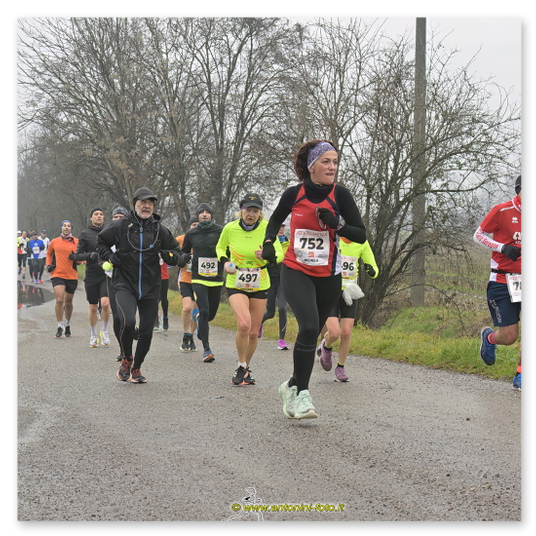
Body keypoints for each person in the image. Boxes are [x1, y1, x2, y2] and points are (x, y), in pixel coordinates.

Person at [263, 140, 367, 419]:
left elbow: (360, 234)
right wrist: (269, 242)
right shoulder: (294, 194)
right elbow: (274, 221)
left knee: (311, 335)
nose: (332, 167)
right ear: (311, 166)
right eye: (326, 162)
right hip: (296, 269)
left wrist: (338, 224)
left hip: (329, 276)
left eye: (335, 162)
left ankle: (291, 385)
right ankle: (303, 396)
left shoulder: (340, 194)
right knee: (309, 327)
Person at [97, 188, 181, 383]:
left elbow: (176, 252)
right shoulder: (120, 226)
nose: (146, 206)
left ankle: (136, 368)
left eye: (150, 203)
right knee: (127, 322)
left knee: (146, 331)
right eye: (143, 202)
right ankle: (127, 358)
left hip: (150, 286)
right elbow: (101, 242)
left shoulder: (159, 229)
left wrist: (170, 256)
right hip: (124, 283)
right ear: (135, 204)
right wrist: (110, 256)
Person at [216, 193, 284, 385]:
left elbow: (280, 253)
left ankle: (245, 368)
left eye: (255, 211)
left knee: (253, 332)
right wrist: (225, 261)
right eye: (248, 210)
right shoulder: (230, 228)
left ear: (260, 213)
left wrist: (268, 255)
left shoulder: (267, 229)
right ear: (241, 210)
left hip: (260, 282)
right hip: (236, 281)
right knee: (244, 324)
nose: (251, 214)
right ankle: (240, 364)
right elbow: (220, 248)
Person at [474, 174, 522, 391]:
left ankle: (520, 375)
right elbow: (478, 235)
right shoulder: (502, 211)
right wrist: (502, 247)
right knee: (510, 336)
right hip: (502, 279)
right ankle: (490, 338)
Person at [317, 238, 378, 382]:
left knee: (346, 332)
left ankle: (340, 367)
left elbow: (374, 267)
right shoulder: (332, 237)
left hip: (350, 291)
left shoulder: (361, 241)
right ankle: (326, 346)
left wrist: (372, 271)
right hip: (330, 290)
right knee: (334, 332)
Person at [177, 204, 224, 363]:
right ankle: (207, 350)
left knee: (210, 314)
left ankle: (198, 319)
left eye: (207, 212)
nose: (204, 214)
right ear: (197, 216)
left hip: (216, 277)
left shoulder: (220, 231)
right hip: (198, 277)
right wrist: (182, 259)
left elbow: (227, 249)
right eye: (201, 212)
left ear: (211, 215)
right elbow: (184, 252)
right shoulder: (191, 233)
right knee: (204, 310)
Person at [70, 208, 112, 347]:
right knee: (93, 307)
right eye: (96, 214)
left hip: (106, 274)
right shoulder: (85, 234)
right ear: (91, 218)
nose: (99, 216)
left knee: (105, 304)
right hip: (92, 274)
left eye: (101, 214)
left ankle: (104, 331)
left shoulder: (109, 232)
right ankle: (93, 334)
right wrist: (89, 256)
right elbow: (77, 255)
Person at [102, 206, 129, 362]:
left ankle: (128, 345)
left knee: (127, 316)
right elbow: (99, 254)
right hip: (112, 280)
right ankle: (122, 349)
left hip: (129, 280)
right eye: (115, 217)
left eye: (121, 217)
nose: (118, 220)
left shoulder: (131, 236)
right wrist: (103, 263)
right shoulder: (107, 237)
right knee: (117, 317)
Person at [259, 222, 291, 350]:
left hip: (283, 280)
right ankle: (259, 323)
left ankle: (281, 340)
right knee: (270, 312)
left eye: (283, 227)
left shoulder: (289, 244)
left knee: (283, 308)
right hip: (269, 280)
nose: (280, 229)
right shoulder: (267, 242)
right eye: (278, 226)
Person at [45, 220, 79, 338]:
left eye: (69, 226)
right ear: (61, 228)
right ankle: (59, 325)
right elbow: (48, 253)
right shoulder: (54, 242)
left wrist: (77, 257)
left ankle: (67, 324)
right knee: (59, 300)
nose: (66, 228)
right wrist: (48, 264)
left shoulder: (76, 242)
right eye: (64, 226)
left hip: (71, 275)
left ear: (71, 228)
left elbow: (81, 258)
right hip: (57, 274)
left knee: (68, 302)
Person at [176, 216, 199, 352]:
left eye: (198, 225)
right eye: (193, 225)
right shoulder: (181, 239)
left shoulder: (205, 240)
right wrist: (180, 258)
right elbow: (172, 251)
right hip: (185, 278)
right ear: (189, 227)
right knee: (187, 308)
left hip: (200, 279)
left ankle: (191, 335)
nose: (196, 227)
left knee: (196, 310)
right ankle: (185, 334)